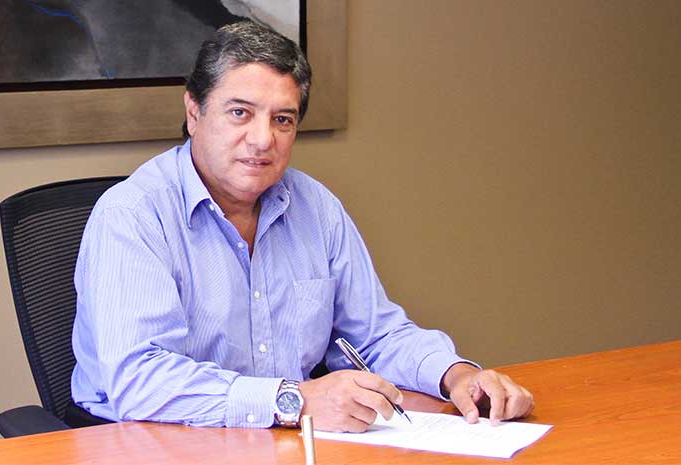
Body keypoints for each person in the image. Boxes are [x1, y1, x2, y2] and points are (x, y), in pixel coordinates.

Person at [71, 20, 534, 432]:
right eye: (240, 112)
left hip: (286, 436)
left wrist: (457, 375)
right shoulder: (133, 215)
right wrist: (295, 400)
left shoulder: (315, 207)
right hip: (153, 439)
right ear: (194, 112)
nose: (262, 139)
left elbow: (375, 334)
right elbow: (141, 381)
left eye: (282, 119)